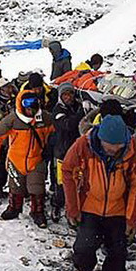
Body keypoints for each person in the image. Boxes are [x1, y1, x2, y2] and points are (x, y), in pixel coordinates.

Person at [62, 115, 136, 271]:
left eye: (117, 148)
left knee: (118, 251)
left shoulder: (132, 149)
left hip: (118, 210)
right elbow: (68, 171)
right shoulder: (83, 144)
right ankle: (84, 270)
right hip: (90, 206)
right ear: (100, 139)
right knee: (83, 247)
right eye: (109, 148)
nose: (113, 151)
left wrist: (132, 219)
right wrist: (73, 208)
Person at [0, 88, 55, 227]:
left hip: (36, 159)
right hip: (15, 160)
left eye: (33, 106)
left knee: (37, 188)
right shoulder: (13, 119)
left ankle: (37, 212)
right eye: (27, 106)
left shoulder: (46, 118)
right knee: (15, 187)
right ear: (21, 105)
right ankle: (14, 208)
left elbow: (56, 133)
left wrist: (50, 147)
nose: (30, 110)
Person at [50, 83, 83, 221]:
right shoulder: (58, 110)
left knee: (78, 181)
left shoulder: (77, 105)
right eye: (65, 95)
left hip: (77, 150)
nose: (68, 97)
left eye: (70, 94)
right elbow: (67, 125)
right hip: (61, 151)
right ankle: (56, 205)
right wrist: (81, 113)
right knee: (61, 182)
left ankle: (75, 207)